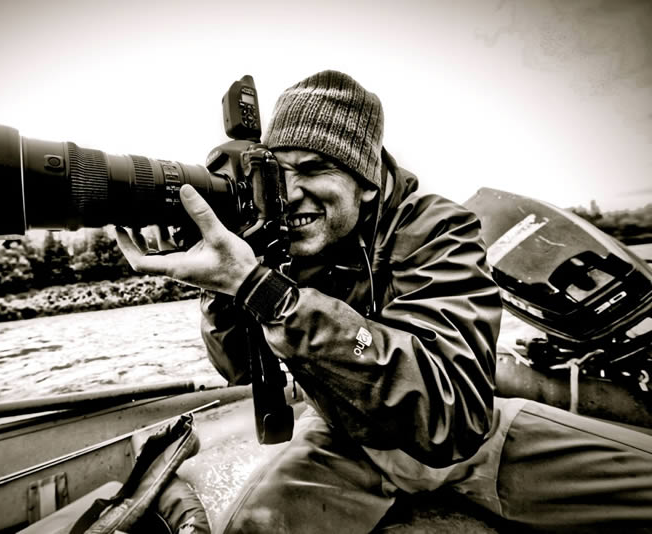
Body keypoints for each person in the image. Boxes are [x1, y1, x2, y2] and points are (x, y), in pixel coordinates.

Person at [116, 70, 652, 533]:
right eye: (280, 172)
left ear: (367, 182)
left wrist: (269, 293)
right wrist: (223, 290)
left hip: (471, 439)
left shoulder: (438, 228)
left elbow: (453, 416)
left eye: (314, 168)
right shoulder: (280, 238)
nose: (291, 192)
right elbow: (238, 371)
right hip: (342, 435)